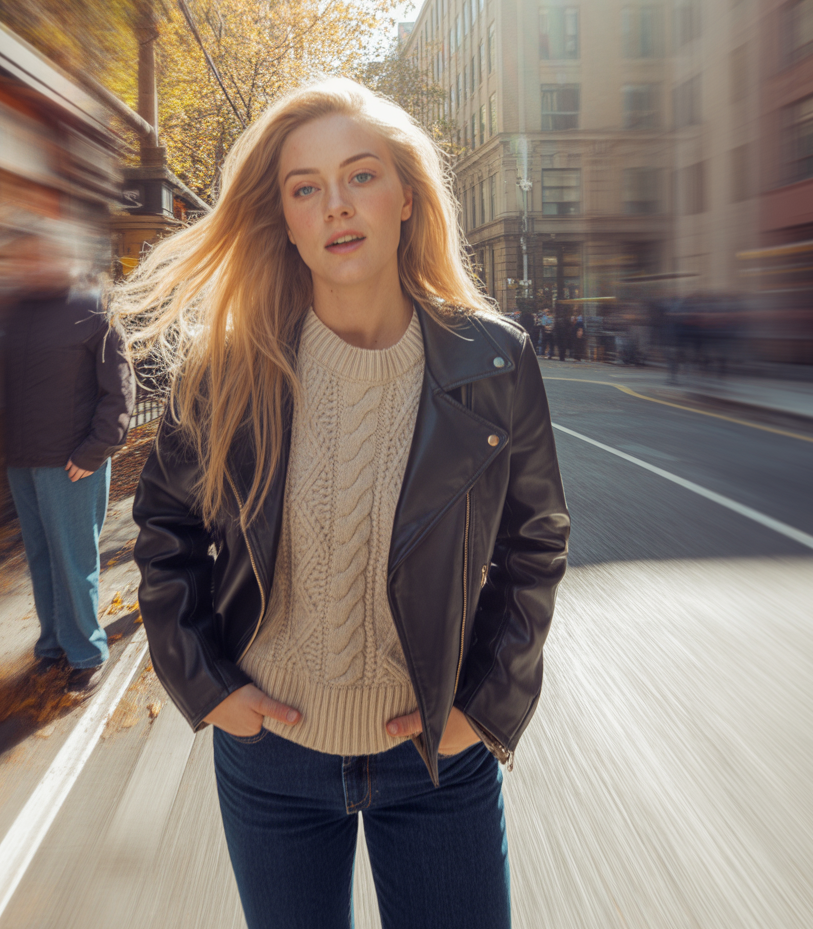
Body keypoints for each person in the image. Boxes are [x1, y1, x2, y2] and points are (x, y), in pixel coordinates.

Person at [118, 79, 569, 929]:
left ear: (405, 196)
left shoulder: (495, 361)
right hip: (271, 762)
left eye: (360, 176)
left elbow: (535, 543)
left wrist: (488, 706)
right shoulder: (226, 370)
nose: (336, 205)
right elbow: (165, 534)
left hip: (438, 757)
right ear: (283, 219)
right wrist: (207, 686)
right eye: (305, 188)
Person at [3, 226, 135, 692]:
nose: (31, 260)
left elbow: (119, 391)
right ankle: (52, 646)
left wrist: (93, 451)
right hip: (22, 462)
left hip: (71, 464)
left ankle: (86, 654)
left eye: (41, 252)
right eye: (25, 253)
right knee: (41, 559)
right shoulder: (16, 310)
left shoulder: (93, 306)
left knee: (74, 560)